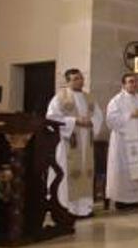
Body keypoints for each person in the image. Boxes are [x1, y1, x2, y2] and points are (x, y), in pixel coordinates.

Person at [46, 68, 102, 217]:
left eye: (81, 78)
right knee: (68, 173)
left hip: (86, 143)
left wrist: (91, 122)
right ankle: (67, 208)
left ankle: (85, 208)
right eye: (76, 78)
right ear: (67, 81)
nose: (80, 81)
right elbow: (51, 117)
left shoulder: (89, 97)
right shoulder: (60, 97)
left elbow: (98, 116)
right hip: (68, 143)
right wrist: (74, 121)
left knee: (85, 173)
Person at [105, 73, 138, 208]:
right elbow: (111, 120)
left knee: (137, 168)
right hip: (122, 142)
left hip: (137, 141)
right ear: (124, 84)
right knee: (123, 169)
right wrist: (130, 115)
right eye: (130, 82)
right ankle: (121, 200)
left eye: (135, 82)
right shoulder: (116, 101)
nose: (133, 84)